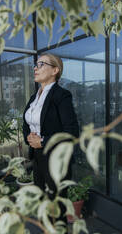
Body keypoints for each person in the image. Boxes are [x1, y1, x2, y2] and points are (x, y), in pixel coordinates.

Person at [23, 53, 79, 199]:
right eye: (35, 65)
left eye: (41, 64)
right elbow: (27, 124)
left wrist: (42, 141)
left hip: (56, 158)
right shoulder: (33, 98)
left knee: (56, 205)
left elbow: (71, 133)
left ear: (55, 71)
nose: (35, 68)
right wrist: (29, 137)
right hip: (37, 157)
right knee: (42, 201)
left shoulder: (62, 95)